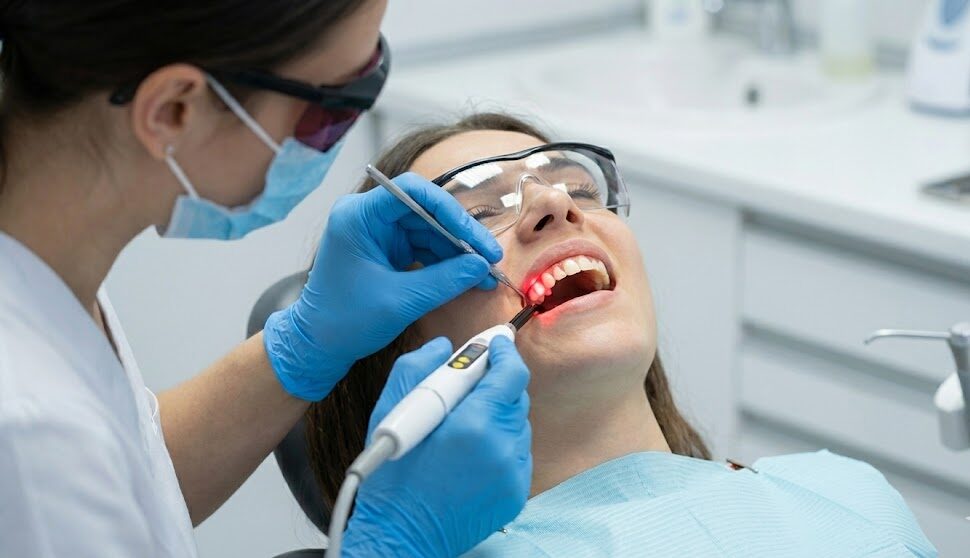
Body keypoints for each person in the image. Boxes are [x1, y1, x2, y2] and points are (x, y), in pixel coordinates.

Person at [0, 2, 532, 557]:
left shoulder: (45, 267)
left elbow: (127, 480)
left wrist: (303, 344)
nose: (555, 208)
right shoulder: (26, 432)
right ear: (175, 110)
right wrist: (396, 543)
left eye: (583, 191)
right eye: (331, 111)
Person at [305, 113, 938, 557]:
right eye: (476, 213)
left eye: (578, 187)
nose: (557, 204)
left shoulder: (845, 491)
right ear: (399, 344)